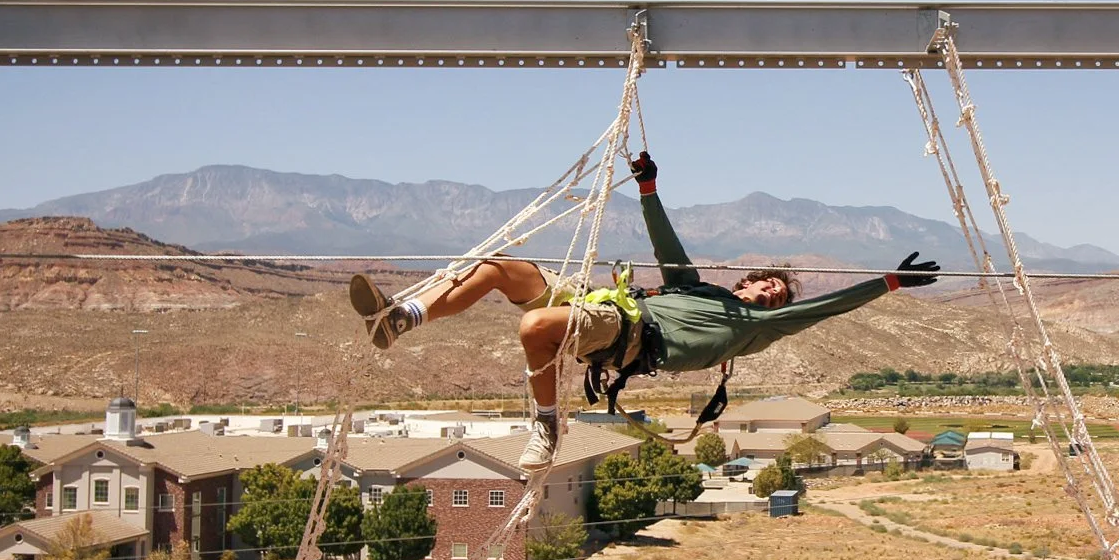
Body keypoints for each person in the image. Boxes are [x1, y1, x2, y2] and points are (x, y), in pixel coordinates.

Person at [350, 152, 940, 471]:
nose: (769, 297)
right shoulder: (697, 290)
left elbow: (828, 309)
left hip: (629, 334)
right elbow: (669, 247)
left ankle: (545, 424)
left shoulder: (754, 329)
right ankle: (403, 318)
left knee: (534, 327)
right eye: (766, 287)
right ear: (749, 279)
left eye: (777, 298)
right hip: (603, 305)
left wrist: (886, 281)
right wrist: (649, 188)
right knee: (501, 269)